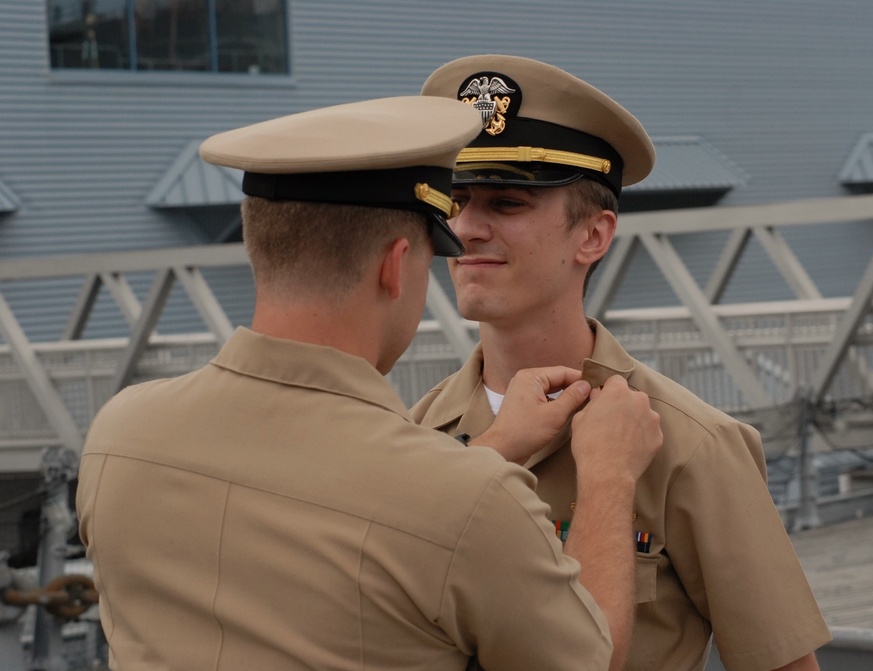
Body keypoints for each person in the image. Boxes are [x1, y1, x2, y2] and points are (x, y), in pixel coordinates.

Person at [75, 96, 663, 670]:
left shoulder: (119, 436)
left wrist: (486, 454)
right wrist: (610, 477)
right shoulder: (467, 500)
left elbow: (329, 516)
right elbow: (591, 657)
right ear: (394, 264)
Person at [413, 54, 833, 671]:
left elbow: (781, 664)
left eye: (506, 203)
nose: (467, 228)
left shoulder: (691, 445)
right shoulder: (417, 432)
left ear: (593, 236)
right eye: (457, 201)